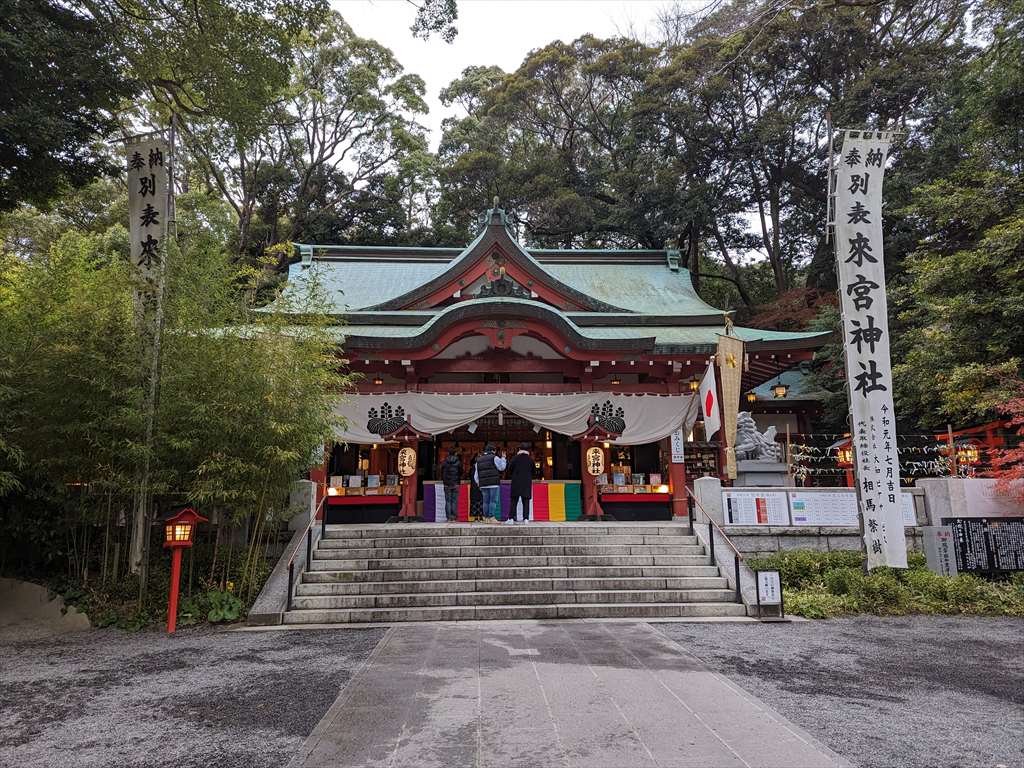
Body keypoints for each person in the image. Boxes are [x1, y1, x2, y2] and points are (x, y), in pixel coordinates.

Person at [473, 444, 506, 523]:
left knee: (485, 501)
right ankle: (491, 517)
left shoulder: (479, 459)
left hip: (483, 484)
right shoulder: (494, 458)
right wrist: (503, 458)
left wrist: (478, 482)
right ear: (493, 450)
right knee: (492, 501)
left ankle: (486, 518)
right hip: (493, 483)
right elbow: (502, 467)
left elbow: (476, 474)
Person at [507, 442, 533, 525]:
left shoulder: (514, 458)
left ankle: (511, 518)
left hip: (516, 482)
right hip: (526, 483)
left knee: (514, 501)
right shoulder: (530, 460)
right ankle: (526, 519)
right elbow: (534, 472)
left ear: (519, 449)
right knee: (526, 501)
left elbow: (509, 470)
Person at [441, 449, 462, 522]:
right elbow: (461, 472)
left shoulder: (444, 462)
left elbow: (441, 472)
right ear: (456, 453)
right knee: (454, 501)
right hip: (456, 483)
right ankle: (454, 518)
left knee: (448, 501)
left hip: (447, 484)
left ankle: (449, 518)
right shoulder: (458, 462)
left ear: (448, 453)